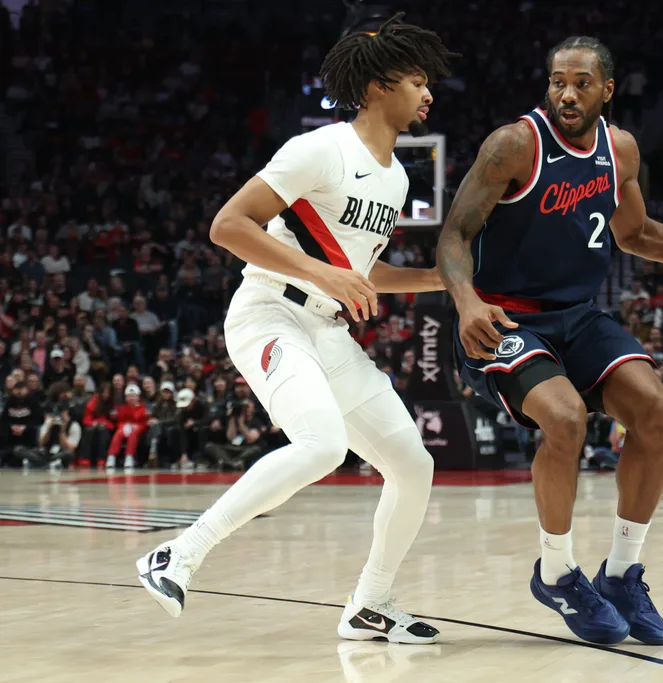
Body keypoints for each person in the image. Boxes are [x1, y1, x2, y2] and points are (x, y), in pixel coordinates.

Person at [436, 35, 663, 644]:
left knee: (655, 409)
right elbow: (453, 235)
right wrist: (467, 302)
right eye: (556, 81)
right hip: (505, 319)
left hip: (576, 315)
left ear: (607, 89)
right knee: (566, 418)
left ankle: (623, 573)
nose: (566, 93)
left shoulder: (619, 149)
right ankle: (556, 572)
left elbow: (637, 234)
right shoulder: (514, 144)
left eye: (579, 82)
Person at [136, 15, 457, 645]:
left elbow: (361, 270)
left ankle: (370, 604)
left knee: (413, 466)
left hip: (327, 330)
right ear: (376, 87)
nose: (428, 94)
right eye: (417, 81)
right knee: (322, 445)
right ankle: (177, 555)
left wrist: (441, 280)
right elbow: (228, 226)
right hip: (268, 313)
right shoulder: (319, 149)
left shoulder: (394, 177)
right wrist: (322, 273)